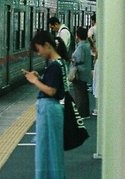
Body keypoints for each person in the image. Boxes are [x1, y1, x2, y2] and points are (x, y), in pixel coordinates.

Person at [24, 30, 65, 179]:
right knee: (52, 149)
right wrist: (39, 78)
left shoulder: (54, 66)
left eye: (39, 49)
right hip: (51, 109)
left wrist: (35, 81)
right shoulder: (59, 63)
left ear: (47, 45)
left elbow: (52, 90)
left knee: (45, 150)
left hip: (48, 108)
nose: (38, 53)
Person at [70, 26, 92, 117]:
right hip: (85, 72)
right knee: (83, 93)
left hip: (79, 73)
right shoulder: (86, 45)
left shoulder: (81, 46)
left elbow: (79, 59)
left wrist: (72, 59)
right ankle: (85, 112)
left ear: (77, 36)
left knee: (79, 94)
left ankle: (82, 112)